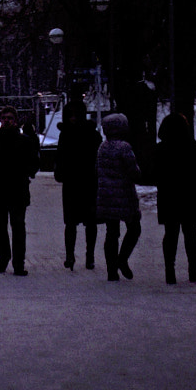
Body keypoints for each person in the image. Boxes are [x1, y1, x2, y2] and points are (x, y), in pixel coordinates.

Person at [155, 110, 196, 284]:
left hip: (168, 196)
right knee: (190, 233)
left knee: (170, 234)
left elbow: (154, 173)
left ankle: (170, 270)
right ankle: (193, 270)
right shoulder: (194, 147)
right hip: (189, 195)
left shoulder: (161, 149)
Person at [0, 107, 37, 275]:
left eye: (9, 118)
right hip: (0, 189)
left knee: (18, 228)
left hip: (15, 190)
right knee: (1, 228)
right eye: (4, 118)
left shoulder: (24, 141)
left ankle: (17, 261)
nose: (6, 121)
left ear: (15, 120)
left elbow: (33, 164)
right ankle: (6, 257)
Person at [96, 112, 142, 281]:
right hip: (124, 195)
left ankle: (111, 271)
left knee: (111, 232)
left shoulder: (103, 147)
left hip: (106, 195)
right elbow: (133, 172)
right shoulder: (124, 147)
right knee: (134, 228)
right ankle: (122, 259)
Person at [54, 99, 100, 269]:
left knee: (84, 222)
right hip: (81, 181)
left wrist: (60, 171)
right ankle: (75, 256)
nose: (72, 118)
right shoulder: (90, 133)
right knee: (77, 222)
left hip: (80, 181)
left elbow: (60, 156)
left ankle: (85, 256)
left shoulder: (69, 134)